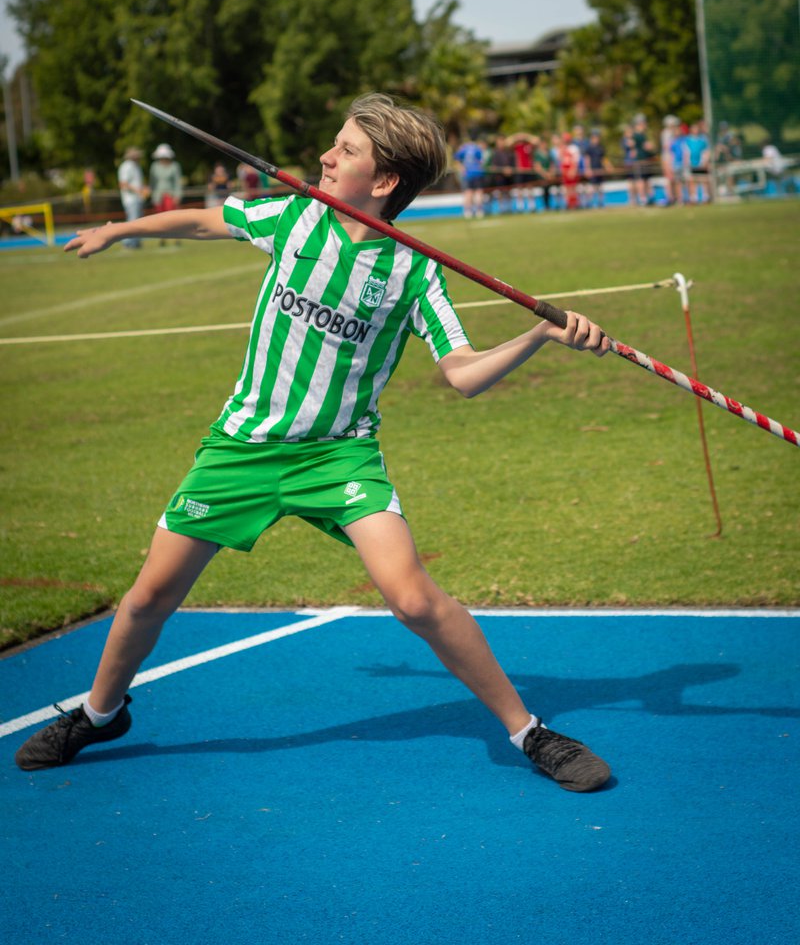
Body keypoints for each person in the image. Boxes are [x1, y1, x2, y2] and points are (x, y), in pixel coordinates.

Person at [14, 93, 612, 794]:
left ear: (384, 181)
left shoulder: (414, 270)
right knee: (148, 597)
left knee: (415, 599)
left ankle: (529, 731)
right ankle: (99, 713)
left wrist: (541, 334)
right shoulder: (294, 216)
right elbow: (207, 220)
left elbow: (463, 374)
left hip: (338, 456)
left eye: (346, 150)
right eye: (334, 143)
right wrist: (121, 229)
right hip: (242, 447)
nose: (326, 157)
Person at [149, 145, 184, 244]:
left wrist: (177, 195)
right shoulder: (154, 167)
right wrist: (153, 195)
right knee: (160, 218)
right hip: (158, 196)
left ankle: (177, 237)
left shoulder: (175, 166)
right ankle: (162, 238)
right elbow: (152, 182)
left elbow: (177, 182)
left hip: (171, 196)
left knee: (173, 218)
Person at [117, 146, 148, 248]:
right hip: (130, 199)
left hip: (137, 199)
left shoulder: (136, 166)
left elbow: (137, 183)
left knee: (138, 221)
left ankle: (136, 242)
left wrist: (144, 189)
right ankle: (127, 242)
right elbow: (123, 183)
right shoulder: (127, 166)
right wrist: (138, 191)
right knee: (132, 221)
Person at [454, 136, 487, 219]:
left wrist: (461, 167)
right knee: (479, 192)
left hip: (467, 174)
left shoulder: (463, 148)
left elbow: (456, 158)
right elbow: (482, 161)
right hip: (477, 173)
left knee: (468, 193)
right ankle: (479, 211)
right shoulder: (477, 148)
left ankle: (468, 212)